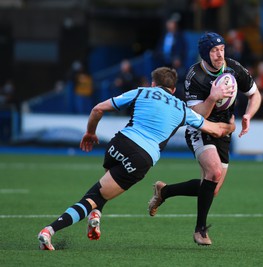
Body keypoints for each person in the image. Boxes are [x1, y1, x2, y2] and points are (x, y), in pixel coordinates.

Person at [37, 67, 236, 250]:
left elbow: (98, 109)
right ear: (173, 90)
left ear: (153, 83)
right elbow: (215, 130)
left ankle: (96, 214)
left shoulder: (141, 91)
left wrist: (90, 133)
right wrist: (231, 127)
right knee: (95, 197)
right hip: (142, 157)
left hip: (119, 143)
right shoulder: (182, 108)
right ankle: (49, 231)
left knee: (104, 185)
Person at [148, 32, 261, 245]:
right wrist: (213, 97)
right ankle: (200, 230)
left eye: (222, 49)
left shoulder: (234, 68)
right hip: (201, 129)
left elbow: (255, 94)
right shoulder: (194, 76)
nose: (220, 55)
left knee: (211, 188)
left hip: (225, 130)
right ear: (204, 54)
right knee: (214, 171)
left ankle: (165, 191)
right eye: (214, 51)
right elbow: (196, 115)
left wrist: (248, 115)